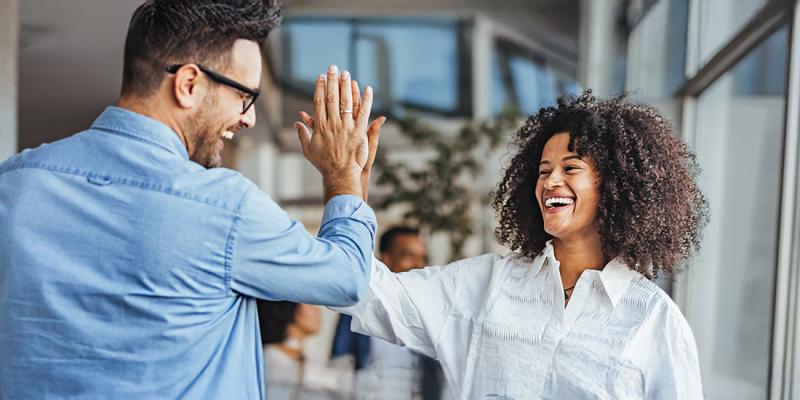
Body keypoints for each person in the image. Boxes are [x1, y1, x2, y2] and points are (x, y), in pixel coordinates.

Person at [0, 1, 385, 398]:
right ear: (188, 85)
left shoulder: (13, 185)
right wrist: (343, 176)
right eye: (244, 97)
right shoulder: (223, 208)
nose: (248, 118)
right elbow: (346, 279)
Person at [319, 91, 710, 399]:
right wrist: (346, 186)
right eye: (543, 171)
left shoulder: (654, 322)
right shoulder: (486, 284)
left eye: (570, 168)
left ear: (618, 186)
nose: (551, 181)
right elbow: (369, 294)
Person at [330, 227, 443, 400]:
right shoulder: (359, 308)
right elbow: (340, 364)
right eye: (409, 256)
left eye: (422, 258)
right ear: (386, 259)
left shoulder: (430, 312)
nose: (419, 265)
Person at [259, 300, 354, 400]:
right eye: (310, 304)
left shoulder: (296, 356)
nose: (318, 311)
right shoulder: (273, 358)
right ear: (292, 309)